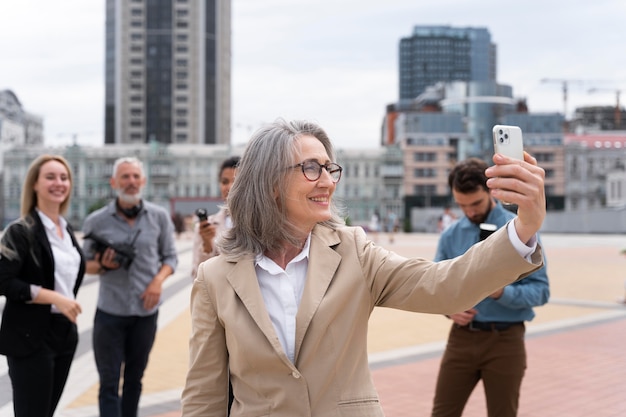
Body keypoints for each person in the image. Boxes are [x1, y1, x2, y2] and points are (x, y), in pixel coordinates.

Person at [181, 118, 547, 417]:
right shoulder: (215, 278)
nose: (327, 181)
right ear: (270, 182)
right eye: (311, 168)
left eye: (329, 168)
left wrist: (524, 227)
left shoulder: (355, 251)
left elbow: (443, 284)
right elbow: (203, 396)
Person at [430, 157, 550, 417]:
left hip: (505, 340)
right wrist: (450, 311)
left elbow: (541, 291)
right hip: (461, 339)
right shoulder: (450, 235)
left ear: (490, 192)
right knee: (441, 413)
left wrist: (500, 292)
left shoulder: (520, 229)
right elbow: (435, 285)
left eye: (476, 203)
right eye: (462, 205)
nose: (470, 212)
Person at [82, 156, 178, 417]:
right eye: (125, 176)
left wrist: (158, 282)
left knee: (135, 380)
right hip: (110, 312)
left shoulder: (158, 217)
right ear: (114, 182)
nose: (131, 182)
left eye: (136, 176)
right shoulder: (96, 221)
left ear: (143, 181)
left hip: (145, 313)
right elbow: (85, 265)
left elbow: (171, 257)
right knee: (109, 382)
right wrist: (103, 265)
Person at [0, 154, 86, 417]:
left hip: (64, 334)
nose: (58, 183)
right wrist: (54, 297)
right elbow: (4, 281)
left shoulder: (65, 230)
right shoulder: (20, 230)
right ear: (34, 184)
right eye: (50, 177)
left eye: (64, 177)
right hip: (30, 336)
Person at [191, 155, 240, 280]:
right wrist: (207, 245)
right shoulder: (205, 227)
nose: (229, 187)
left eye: (235, 181)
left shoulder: (258, 224)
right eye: (224, 182)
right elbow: (197, 276)